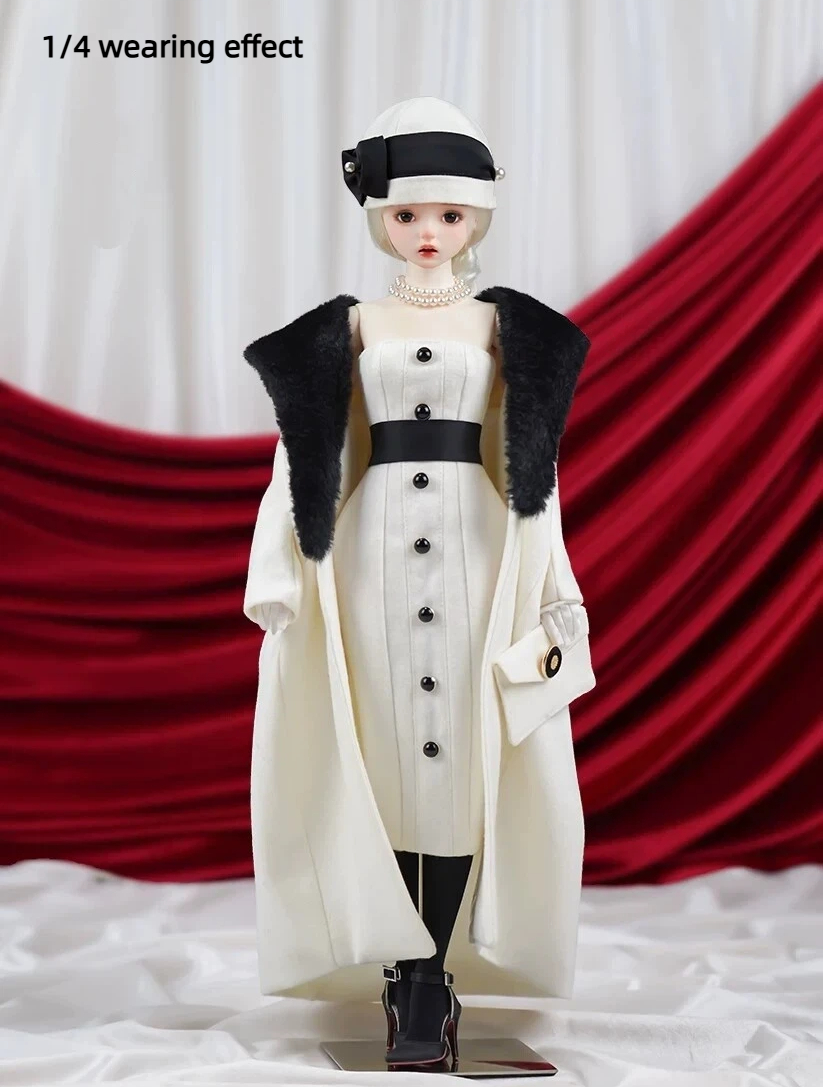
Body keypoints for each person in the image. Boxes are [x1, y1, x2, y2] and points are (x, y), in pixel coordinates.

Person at [242, 97, 596, 1071]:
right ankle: (404, 973)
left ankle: (434, 973)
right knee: (387, 755)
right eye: (406, 214)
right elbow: (304, 450)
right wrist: (279, 570)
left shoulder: (506, 327)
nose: (428, 232)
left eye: (448, 214)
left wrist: (551, 583)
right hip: (367, 556)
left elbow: (533, 467)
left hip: (480, 551)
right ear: (380, 218)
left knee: (462, 766)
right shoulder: (351, 327)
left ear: (476, 218)